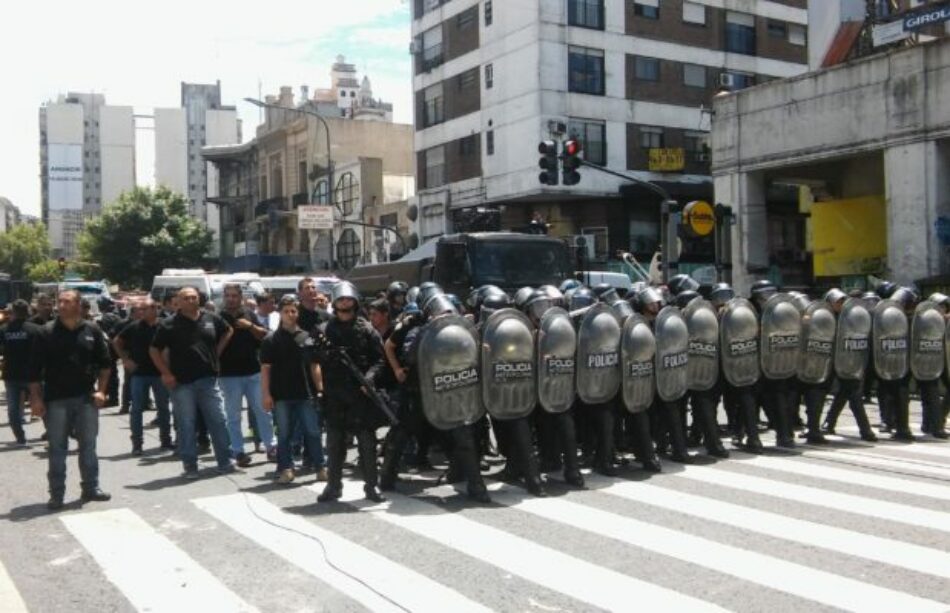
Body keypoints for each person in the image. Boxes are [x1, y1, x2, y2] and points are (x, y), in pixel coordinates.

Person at [28, 289, 113, 511]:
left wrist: (101, 391)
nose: (62, 305)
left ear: (78, 305)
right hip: (55, 400)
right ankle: (57, 495)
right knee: (57, 449)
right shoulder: (45, 332)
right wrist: (35, 400)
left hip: (86, 398)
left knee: (88, 446)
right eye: (60, 302)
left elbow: (105, 364)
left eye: (67, 302)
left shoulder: (92, 330)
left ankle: (91, 488)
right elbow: (33, 371)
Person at [149, 287, 236, 479]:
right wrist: (165, 373)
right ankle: (190, 465)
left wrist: (216, 353)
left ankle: (226, 461)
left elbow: (228, 330)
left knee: (218, 420)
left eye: (194, 297)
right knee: (187, 424)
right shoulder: (168, 324)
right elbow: (154, 350)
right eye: (186, 298)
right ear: (177, 302)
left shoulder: (211, 318)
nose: (191, 301)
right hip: (181, 382)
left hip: (208, 380)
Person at [315, 281, 387, 504]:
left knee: (367, 444)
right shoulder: (323, 331)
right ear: (335, 303)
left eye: (348, 299)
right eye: (341, 300)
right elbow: (312, 361)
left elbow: (380, 360)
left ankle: (371, 487)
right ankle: (333, 486)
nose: (345, 303)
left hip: (360, 397)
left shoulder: (366, 329)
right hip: (335, 395)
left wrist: (370, 378)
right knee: (335, 444)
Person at [261, 295, 328, 484]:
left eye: (293, 311)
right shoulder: (270, 339)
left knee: (313, 432)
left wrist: (320, 389)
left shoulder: (307, 337)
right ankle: (286, 468)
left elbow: (315, 366)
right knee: (284, 434)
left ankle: (320, 467)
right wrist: (266, 394)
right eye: (286, 311)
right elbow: (265, 370)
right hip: (281, 395)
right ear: (279, 314)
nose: (290, 315)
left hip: (306, 394)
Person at [218, 283, 275, 466]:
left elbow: (265, 336)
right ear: (224, 297)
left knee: (263, 411)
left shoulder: (249, 314)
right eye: (228, 295)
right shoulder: (218, 317)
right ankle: (238, 451)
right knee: (233, 415)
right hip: (228, 375)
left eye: (234, 295)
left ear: (241, 297)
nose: (231, 299)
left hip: (253, 372)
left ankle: (271, 447)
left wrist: (250, 326)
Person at [115, 299, 173, 454]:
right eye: (146, 308)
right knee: (136, 409)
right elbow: (117, 342)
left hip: (160, 373)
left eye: (154, 307)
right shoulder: (134, 327)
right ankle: (137, 444)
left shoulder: (164, 325)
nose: (151, 310)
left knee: (163, 408)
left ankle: (166, 441)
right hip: (139, 374)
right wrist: (125, 360)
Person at [0, 300, 39, 445]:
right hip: (33, 374)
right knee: (42, 405)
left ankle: (20, 438)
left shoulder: (4, 329)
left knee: (13, 410)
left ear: (13, 312)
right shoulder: (35, 329)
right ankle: (53, 434)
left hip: (12, 374)